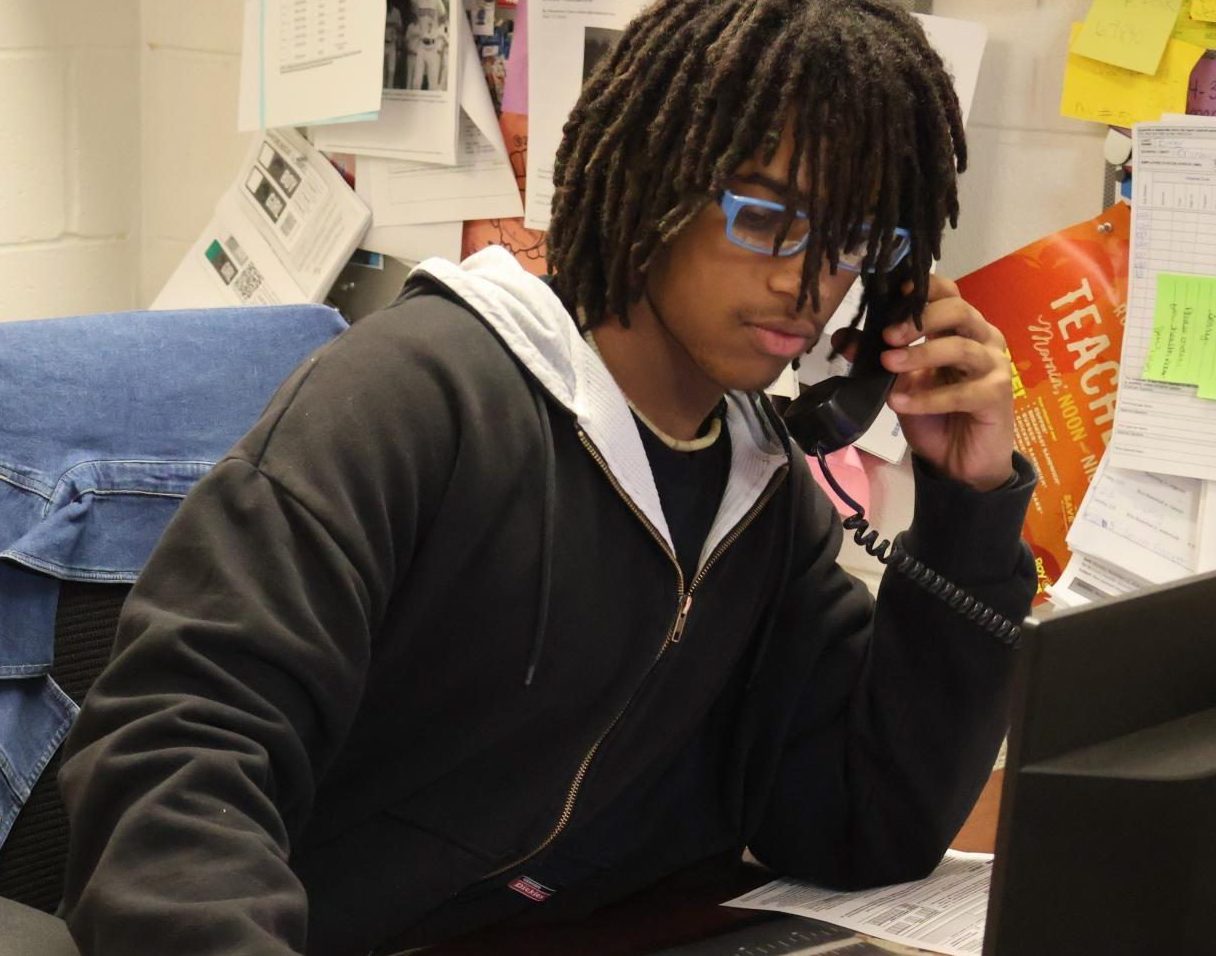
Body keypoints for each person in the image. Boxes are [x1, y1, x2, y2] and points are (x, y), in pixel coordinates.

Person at [58, 2, 1037, 954]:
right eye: (768, 215)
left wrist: (965, 513)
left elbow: (861, 821)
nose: (808, 279)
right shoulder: (412, 402)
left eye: (853, 238)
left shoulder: (758, 482)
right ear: (659, 178)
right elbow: (172, 762)